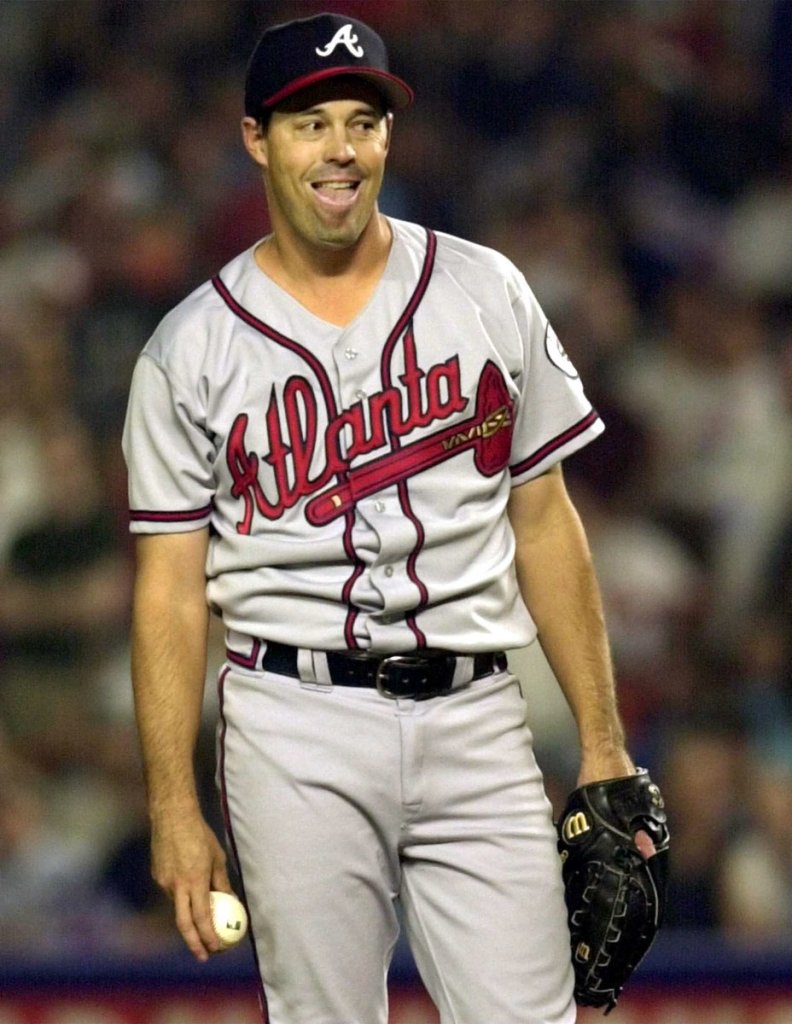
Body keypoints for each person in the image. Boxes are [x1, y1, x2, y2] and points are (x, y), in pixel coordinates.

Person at [122, 13, 637, 1024]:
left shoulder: (485, 290)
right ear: (256, 140)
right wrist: (174, 805)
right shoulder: (190, 348)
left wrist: (604, 741)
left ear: (389, 138)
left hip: (477, 711)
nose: (341, 150)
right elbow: (170, 591)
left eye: (362, 122)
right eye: (310, 123)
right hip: (292, 720)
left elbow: (544, 522)